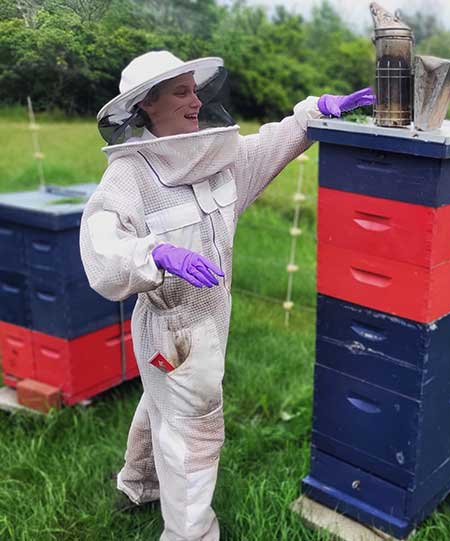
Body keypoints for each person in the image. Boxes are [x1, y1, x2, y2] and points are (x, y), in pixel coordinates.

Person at [79, 50, 374, 541]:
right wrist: (154, 255)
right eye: (181, 92)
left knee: (160, 403)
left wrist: (318, 108)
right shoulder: (130, 176)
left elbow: (275, 142)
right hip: (174, 330)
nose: (195, 100)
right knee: (194, 434)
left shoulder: (219, 161)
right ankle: (190, 534)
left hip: (209, 320)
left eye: (195, 89)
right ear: (147, 105)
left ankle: (137, 485)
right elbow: (100, 249)